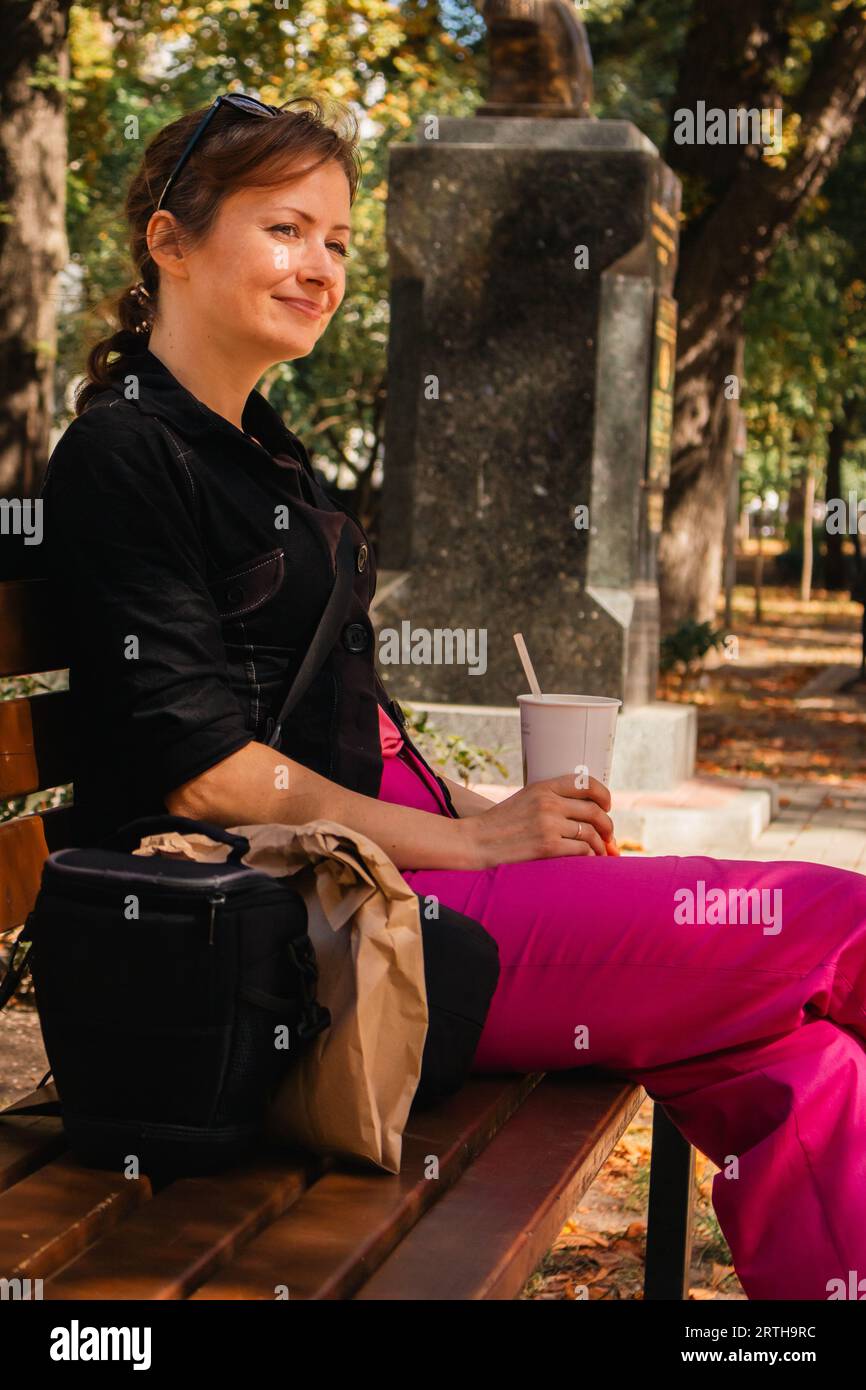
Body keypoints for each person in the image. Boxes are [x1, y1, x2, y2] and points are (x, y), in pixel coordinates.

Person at [41, 94, 866, 1301]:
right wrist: (475, 838)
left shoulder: (256, 448)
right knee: (832, 920)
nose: (318, 266)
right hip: (302, 952)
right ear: (168, 241)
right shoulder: (123, 455)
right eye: (285, 229)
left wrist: (474, 800)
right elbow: (203, 771)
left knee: (797, 1063)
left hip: (379, 898)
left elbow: (321, 717)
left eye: (334, 238)